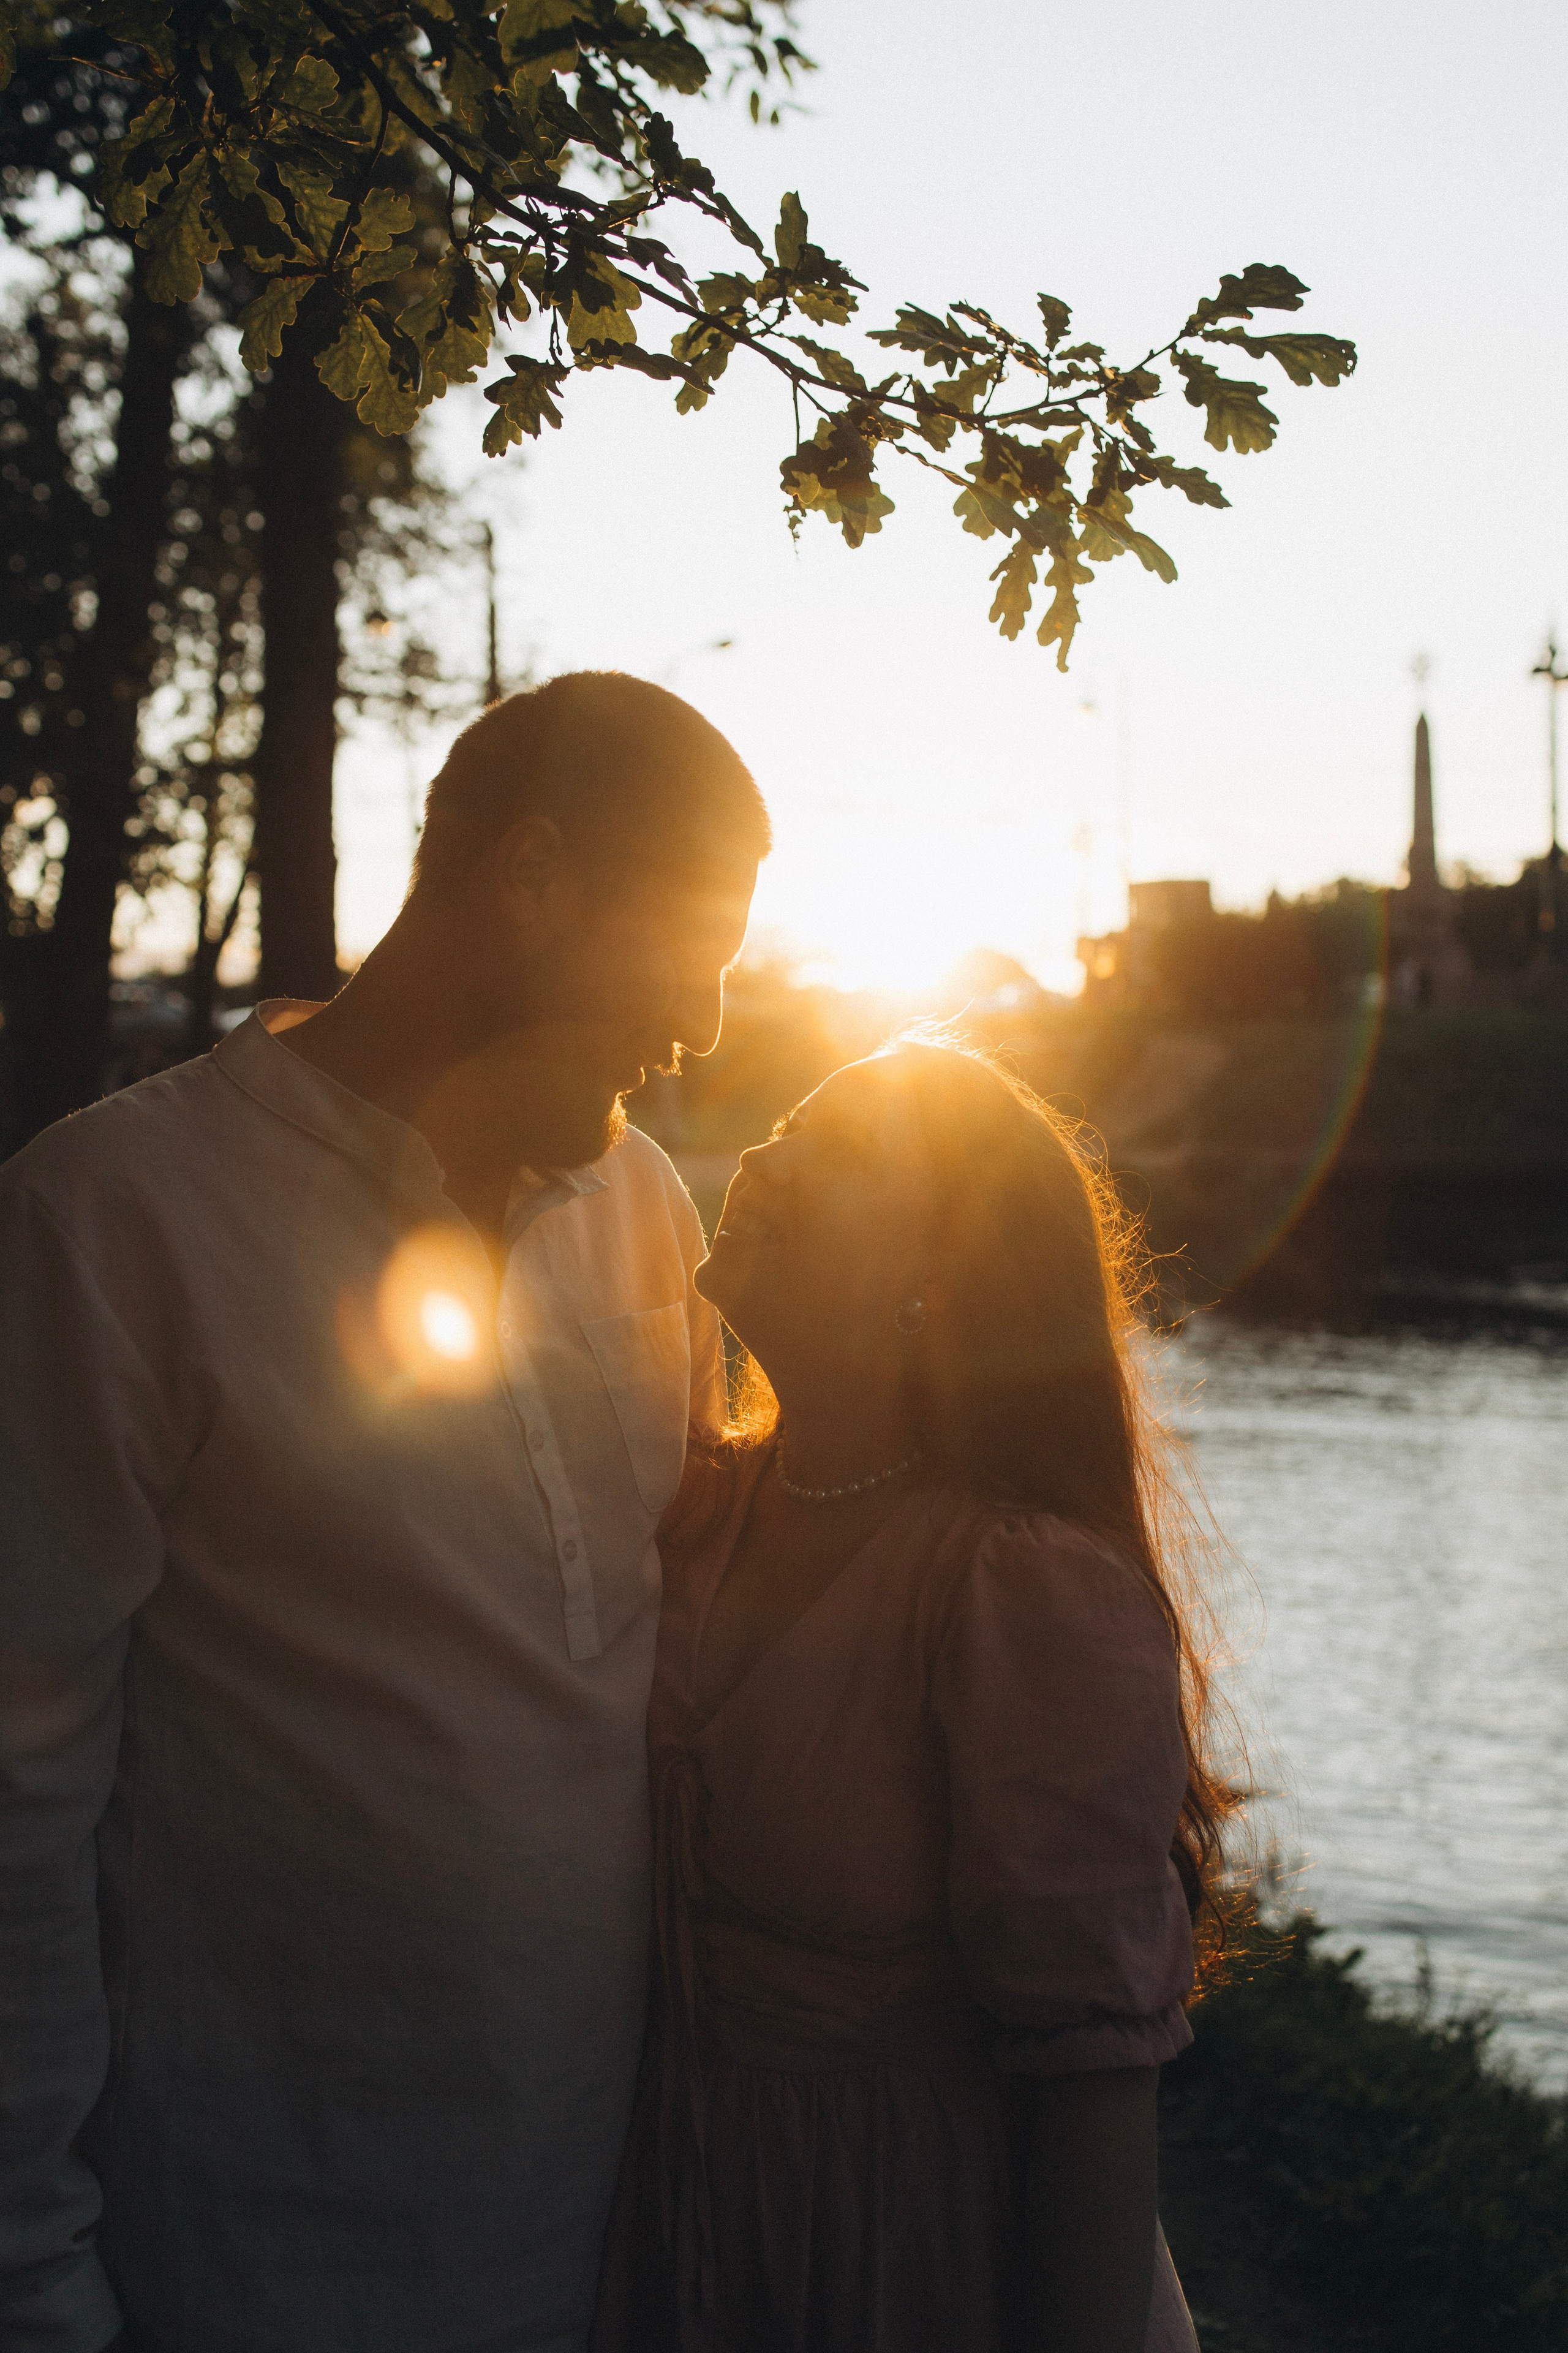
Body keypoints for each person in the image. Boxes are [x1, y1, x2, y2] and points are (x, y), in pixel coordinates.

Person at [0, 674, 769, 2353]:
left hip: (597, 2242)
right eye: (694, 947)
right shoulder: (109, 1222)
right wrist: (34, 2268)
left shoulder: (642, 1204)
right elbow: (19, 1800)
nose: (709, 1024)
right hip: (245, 2253)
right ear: (532, 876)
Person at [590, 1039, 1229, 2353]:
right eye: (784, 1124)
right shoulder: (690, 1509)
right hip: (680, 2244)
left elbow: (1093, 2085)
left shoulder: (1022, 1588)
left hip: (911, 2259)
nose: (764, 1156)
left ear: (935, 1280)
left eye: (834, 1152)